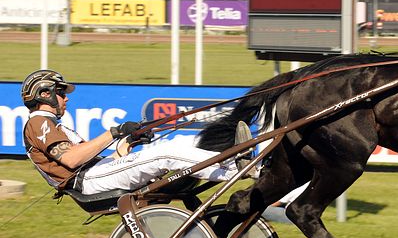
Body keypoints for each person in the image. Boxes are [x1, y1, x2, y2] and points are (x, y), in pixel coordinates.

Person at [21, 69, 253, 195]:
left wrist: (129, 141)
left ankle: (232, 162)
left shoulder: (53, 125)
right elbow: (72, 160)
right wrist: (114, 132)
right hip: (87, 181)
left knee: (174, 145)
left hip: (96, 174)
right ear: (45, 94)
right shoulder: (39, 123)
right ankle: (235, 169)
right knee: (165, 154)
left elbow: (96, 159)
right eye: (61, 92)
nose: (66, 97)